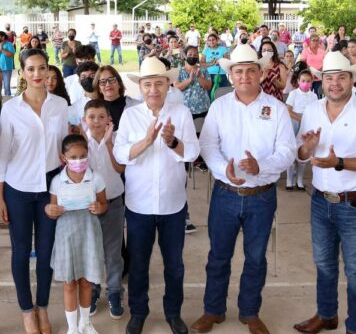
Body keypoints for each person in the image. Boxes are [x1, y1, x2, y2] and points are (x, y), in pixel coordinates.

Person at [191, 44, 296, 334]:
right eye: (239, 71)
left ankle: (250, 312)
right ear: (231, 75)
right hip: (225, 194)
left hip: (261, 198)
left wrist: (260, 166)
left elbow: (288, 150)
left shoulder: (276, 108)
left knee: (256, 258)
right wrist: (220, 166)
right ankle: (213, 310)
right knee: (218, 256)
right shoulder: (220, 106)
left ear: (261, 73)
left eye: (251, 70)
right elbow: (208, 144)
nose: (245, 76)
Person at [293, 51, 356, 334]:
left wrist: (339, 163)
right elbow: (301, 154)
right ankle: (326, 315)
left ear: (352, 80)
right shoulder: (312, 110)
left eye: (341, 78)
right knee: (323, 264)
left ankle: (355, 327)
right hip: (321, 201)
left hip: (354, 203)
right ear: (322, 81)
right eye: (330, 78)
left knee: (355, 271)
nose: (335, 83)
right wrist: (308, 149)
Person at [113, 57, 199, 334]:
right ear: (140, 87)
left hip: (173, 205)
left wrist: (172, 141)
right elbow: (119, 154)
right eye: (147, 84)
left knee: (174, 265)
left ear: (168, 85)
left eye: (158, 84)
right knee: (138, 264)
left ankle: (173, 313)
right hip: (139, 204)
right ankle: (138, 312)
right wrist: (147, 142)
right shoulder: (130, 115)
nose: (153, 89)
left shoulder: (181, 113)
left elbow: (193, 153)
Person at [0, 49, 69, 334]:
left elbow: (64, 148)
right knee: (21, 251)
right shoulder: (11, 108)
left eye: (42, 68)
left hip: (50, 186)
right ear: (22, 73)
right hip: (18, 188)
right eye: (31, 69)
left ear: (49, 70)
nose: (37, 74)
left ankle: (42, 308)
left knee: (47, 251)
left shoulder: (60, 105)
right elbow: (2, 154)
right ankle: (27, 311)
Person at [46, 134, 108, 334]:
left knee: (87, 281)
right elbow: (53, 209)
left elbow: (104, 204)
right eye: (73, 157)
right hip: (66, 237)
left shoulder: (95, 178)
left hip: (89, 234)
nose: (78, 161)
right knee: (69, 283)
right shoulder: (57, 181)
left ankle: (86, 323)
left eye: (82, 156)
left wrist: (99, 208)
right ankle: (72, 327)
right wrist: (50, 210)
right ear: (63, 157)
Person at [82, 101, 126, 319]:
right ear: (84, 120)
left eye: (101, 117)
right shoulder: (80, 143)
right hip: (89, 205)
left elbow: (120, 168)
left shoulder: (117, 139)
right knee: (91, 250)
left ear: (109, 120)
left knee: (113, 251)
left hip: (114, 201)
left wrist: (108, 144)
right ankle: (93, 289)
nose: (97, 121)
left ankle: (115, 291)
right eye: (91, 117)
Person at [285, 69, 317, 191]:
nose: (305, 83)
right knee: (292, 149)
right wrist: (300, 118)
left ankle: (300, 180)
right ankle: (289, 180)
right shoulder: (294, 94)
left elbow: (314, 111)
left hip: (307, 124)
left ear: (312, 82)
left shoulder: (313, 96)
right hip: (295, 121)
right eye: (303, 81)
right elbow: (288, 110)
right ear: (298, 81)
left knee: (304, 150)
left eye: (308, 81)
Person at [93, 65, 140, 131]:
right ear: (99, 89)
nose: (108, 84)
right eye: (103, 82)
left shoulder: (136, 105)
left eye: (111, 80)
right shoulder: (94, 111)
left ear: (119, 84)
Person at [175, 46, 212, 120]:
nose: (193, 57)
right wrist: (189, 80)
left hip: (203, 107)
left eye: (195, 55)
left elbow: (208, 87)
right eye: (190, 54)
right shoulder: (179, 71)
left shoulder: (203, 70)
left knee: (203, 130)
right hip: (185, 110)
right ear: (185, 56)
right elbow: (177, 88)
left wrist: (199, 77)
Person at [0, 31, 16, 97]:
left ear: (3, 37)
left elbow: (11, 54)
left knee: (7, 85)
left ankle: (8, 100)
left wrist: (2, 49)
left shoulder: (9, 44)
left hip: (7, 68)